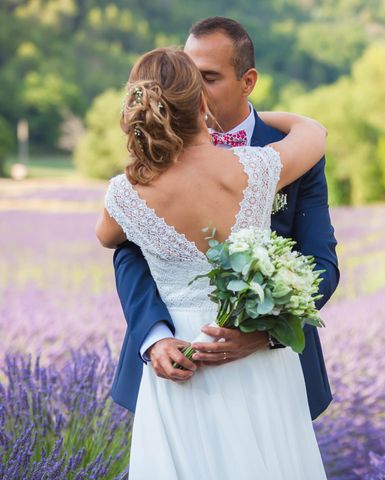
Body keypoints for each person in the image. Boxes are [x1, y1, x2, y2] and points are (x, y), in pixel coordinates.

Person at [96, 47, 328, 478]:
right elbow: (313, 131)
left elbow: (109, 238)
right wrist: (258, 115)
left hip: (182, 361)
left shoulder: (123, 194)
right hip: (252, 359)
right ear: (199, 101)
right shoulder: (256, 169)